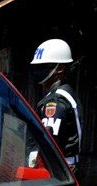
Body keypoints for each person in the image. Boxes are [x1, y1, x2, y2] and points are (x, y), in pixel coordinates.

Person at [31, 38, 82, 173]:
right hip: (66, 166)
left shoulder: (56, 101)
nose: (38, 71)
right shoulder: (65, 92)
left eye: (45, 66)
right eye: (37, 66)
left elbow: (48, 141)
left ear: (60, 68)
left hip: (60, 169)